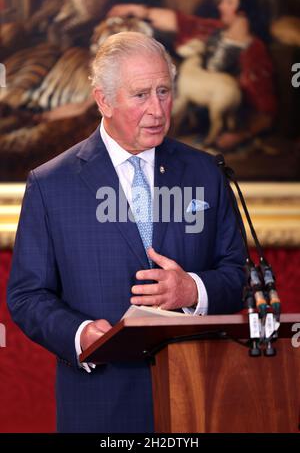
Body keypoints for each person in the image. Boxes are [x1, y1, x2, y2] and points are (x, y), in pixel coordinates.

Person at [7, 31, 245, 433]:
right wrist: (81, 335)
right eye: (140, 95)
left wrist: (193, 291)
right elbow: (27, 295)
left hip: (197, 401)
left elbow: (240, 276)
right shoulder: (52, 184)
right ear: (104, 100)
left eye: (164, 91)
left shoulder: (207, 172)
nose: (157, 109)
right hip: (100, 405)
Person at [108, 0, 277, 151]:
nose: (221, 6)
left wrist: (240, 135)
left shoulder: (254, 51)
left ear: (242, 10)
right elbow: (180, 22)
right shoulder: (214, 30)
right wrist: (137, 10)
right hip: (185, 117)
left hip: (213, 131)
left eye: (228, 2)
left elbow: (266, 113)